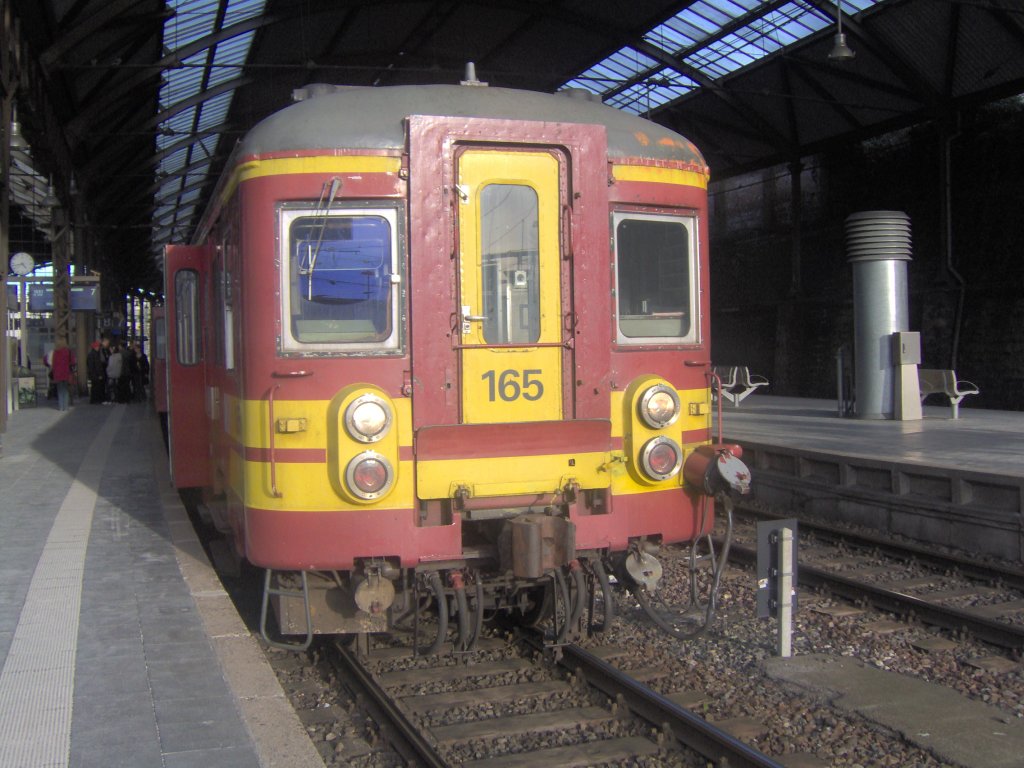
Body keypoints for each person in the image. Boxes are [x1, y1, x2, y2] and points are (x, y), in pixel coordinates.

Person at [50, 338, 76, 412]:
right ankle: (66, 407)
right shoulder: (68, 351)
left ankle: (61, 407)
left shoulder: (56, 352)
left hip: (58, 374)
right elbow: (73, 362)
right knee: (66, 390)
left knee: (60, 390)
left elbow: (53, 363)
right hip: (66, 373)